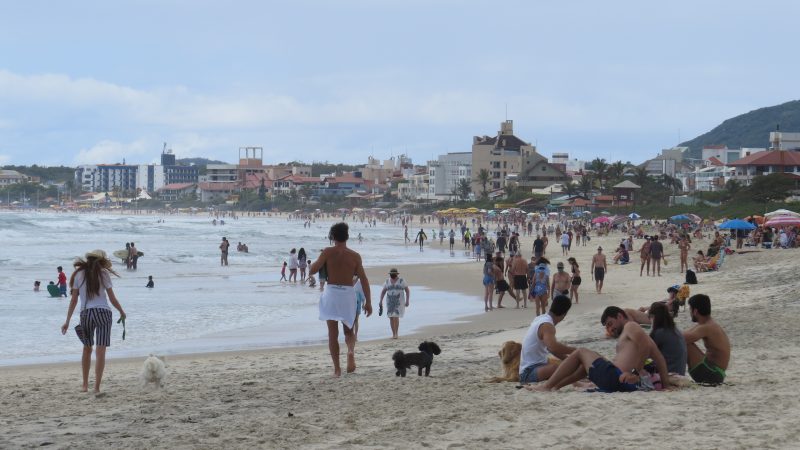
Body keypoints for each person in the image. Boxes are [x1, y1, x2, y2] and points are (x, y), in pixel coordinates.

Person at [529, 306, 671, 392]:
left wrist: (635, 373)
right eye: (607, 327)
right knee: (591, 359)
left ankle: (547, 386)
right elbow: (660, 359)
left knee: (580, 352)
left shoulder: (631, 326)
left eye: (611, 323)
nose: (611, 329)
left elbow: (644, 347)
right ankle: (555, 386)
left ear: (620, 316)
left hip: (618, 378)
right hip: (618, 379)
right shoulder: (639, 335)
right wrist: (666, 386)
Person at [309, 223, 372, 377]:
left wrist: (322, 260)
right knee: (349, 331)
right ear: (347, 236)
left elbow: (312, 270)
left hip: (331, 294)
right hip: (347, 294)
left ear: (332, 237)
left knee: (332, 333)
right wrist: (368, 302)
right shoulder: (355, 256)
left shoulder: (328, 252)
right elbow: (364, 280)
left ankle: (337, 370)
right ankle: (350, 351)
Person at [60, 250, 126, 394]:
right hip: (103, 313)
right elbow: (112, 299)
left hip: (86, 314)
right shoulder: (104, 274)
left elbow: (74, 300)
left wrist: (67, 321)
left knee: (87, 349)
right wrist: (121, 311)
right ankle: (96, 387)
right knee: (100, 351)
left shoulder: (78, 274)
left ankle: (84, 385)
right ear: (100, 261)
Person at [519, 295, 576, 384]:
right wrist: (575, 351)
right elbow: (553, 347)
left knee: (564, 367)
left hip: (537, 367)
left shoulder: (540, 318)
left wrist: (568, 360)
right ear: (564, 314)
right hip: (528, 372)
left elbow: (551, 349)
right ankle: (578, 383)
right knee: (556, 368)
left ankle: (577, 379)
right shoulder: (547, 325)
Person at [683, 294, 730, 385]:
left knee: (684, 343)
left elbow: (681, 338)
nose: (690, 312)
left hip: (713, 374)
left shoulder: (707, 327)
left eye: (690, 309)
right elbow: (684, 334)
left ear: (695, 311)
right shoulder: (708, 324)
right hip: (714, 372)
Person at [648, 302, 687, 375]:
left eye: (649, 317)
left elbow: (644, 354)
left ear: (653, 317)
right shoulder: (676, 330)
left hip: (669, 376)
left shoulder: (659, 333)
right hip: (680, 374)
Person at [379, 268, 411, 337]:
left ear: (396, 274)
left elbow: (407, 290)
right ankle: (393, 334)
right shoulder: (387, 281)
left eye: (393, 274)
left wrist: (407, 300)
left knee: (396, 316)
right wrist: (380, 300)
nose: (392, 275)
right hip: (389, 301)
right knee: (391, 317)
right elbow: (383, 291)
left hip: (399, 301)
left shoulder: (401, 281)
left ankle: (396, 333)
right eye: (391, 274)